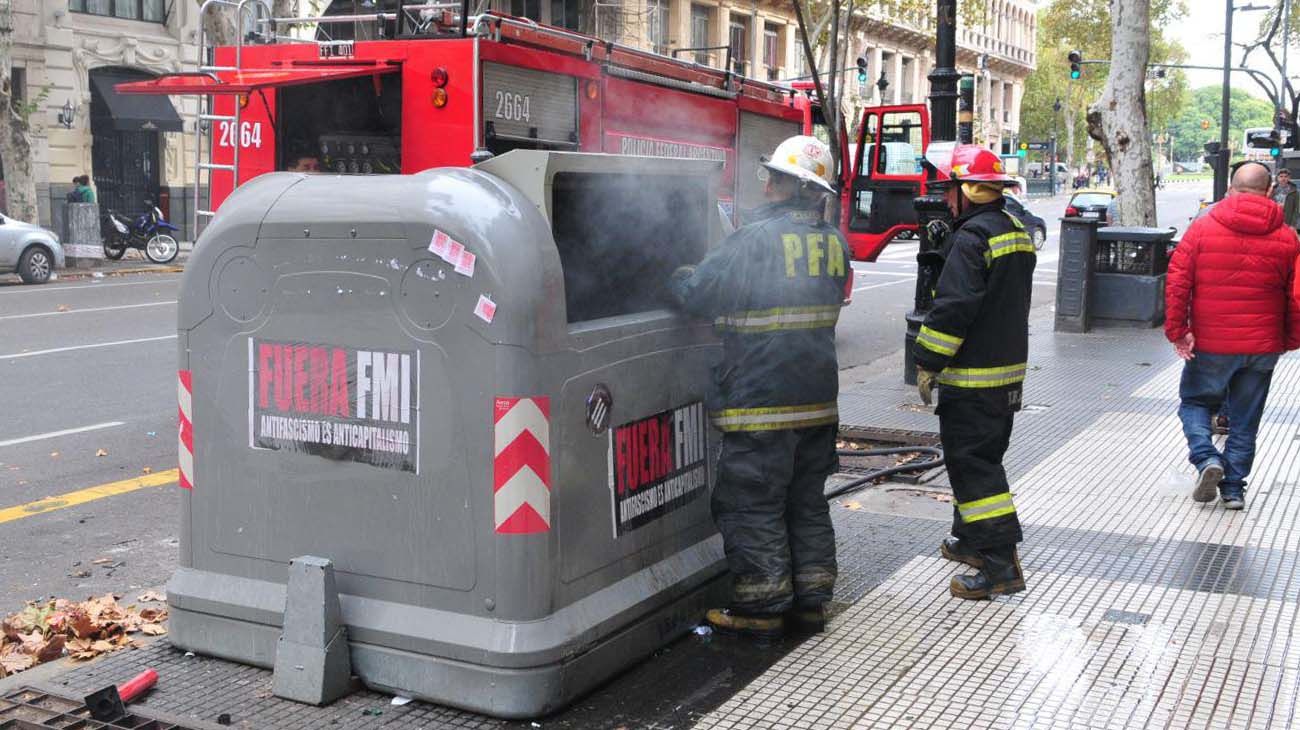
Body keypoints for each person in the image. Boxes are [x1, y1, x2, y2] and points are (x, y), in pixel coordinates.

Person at [669, 135, 849, 638]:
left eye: (772, 176)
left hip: (762, 398)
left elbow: (700, 293)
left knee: (752, 499)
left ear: (791, 185)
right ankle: (811, 599)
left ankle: (761, 606)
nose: (765, 182)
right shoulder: (834, 242)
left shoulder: (753, 239)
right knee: (806, 499)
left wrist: (677, 275)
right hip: (817, 398)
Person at [912, 144, 1035, 600]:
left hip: (973, 381)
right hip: (1006, 379)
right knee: (984, 459)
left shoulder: (972, 238)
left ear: (969, 191)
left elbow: (953, 310)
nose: (945, 200)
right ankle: (971, 541)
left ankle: (1000, 565)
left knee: (975, 470)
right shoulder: (1016, 231)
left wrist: (926, 360)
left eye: (949, 191)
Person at [1165, 161, 1300, 510]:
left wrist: (1179, 332)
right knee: (1246, 418)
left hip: (1212, 342)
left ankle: (1206, 457)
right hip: (1262, 345)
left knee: (1195, 402)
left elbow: (1178, 281)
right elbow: (1296, 296)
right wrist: (1289, 339)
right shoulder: (1288, 237)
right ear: (1269, 191)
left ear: (1230, 188)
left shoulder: (1202, 226)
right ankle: (1234, 489)